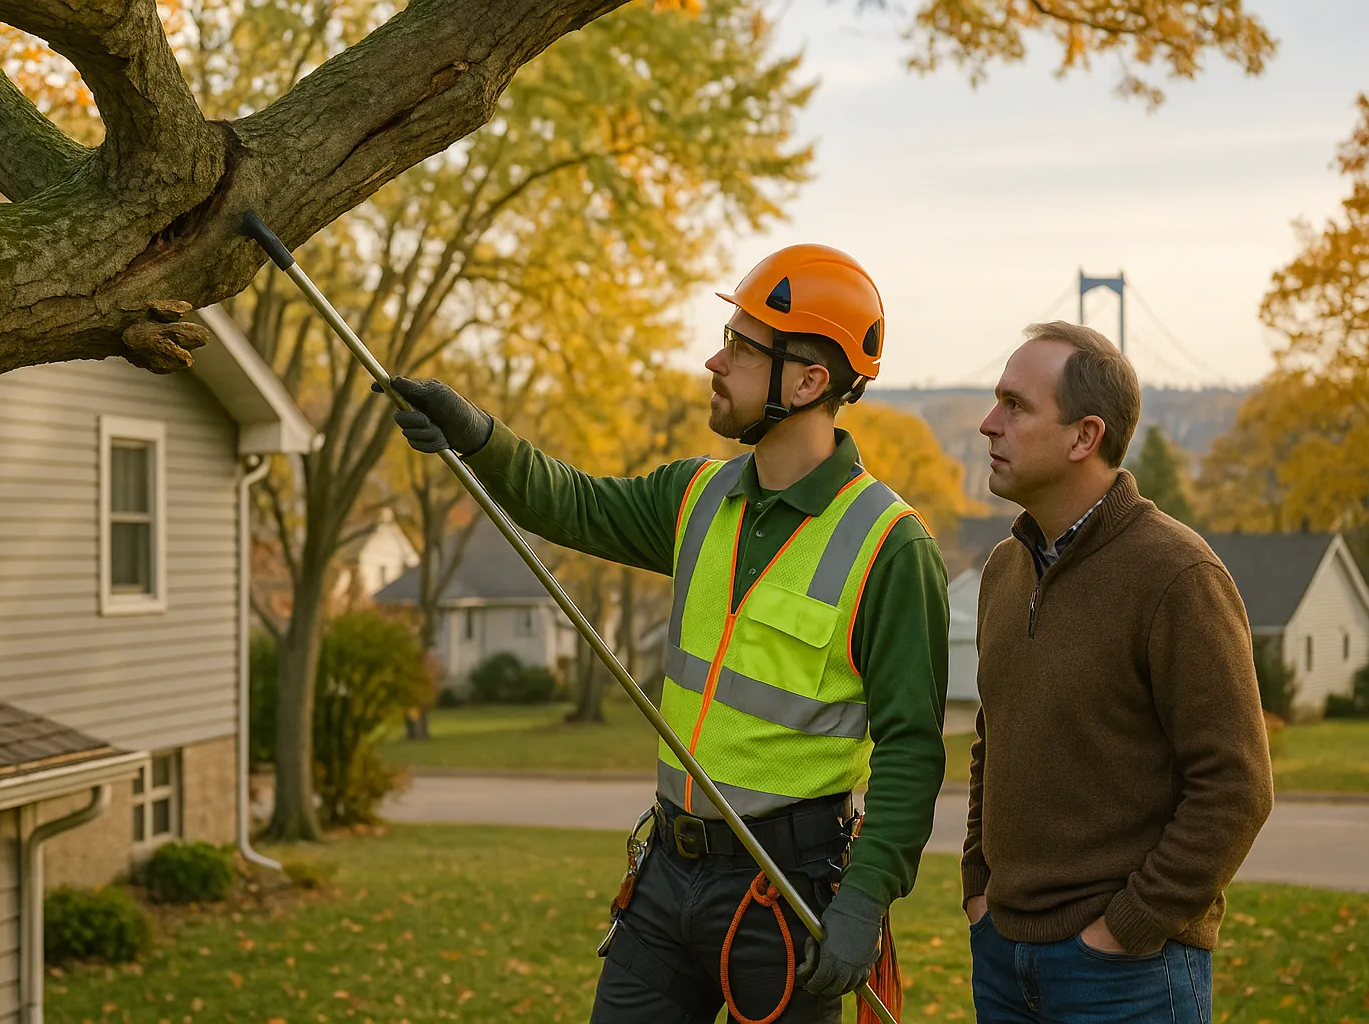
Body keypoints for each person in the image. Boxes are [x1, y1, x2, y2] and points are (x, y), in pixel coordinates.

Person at [383, 245, 949, 1023]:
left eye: (745, 348)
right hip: (667, 874)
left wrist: (863, 902)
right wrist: (478, 436)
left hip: (785, 891)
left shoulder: (890, 546)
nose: (715, 361)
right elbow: (571, 504)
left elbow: (913, 749)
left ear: (810, 381)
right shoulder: (697, 496)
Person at [965, 321, 1274, 1024]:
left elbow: (1235, 786)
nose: (988, 424)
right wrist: (979, 889)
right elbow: (995, 742)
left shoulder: (1177, 575)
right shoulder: (1004, 572)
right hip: (1003, 960)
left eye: (1015, 405)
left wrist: (1126, 929)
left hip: (1128, 976)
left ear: (1084, 436)